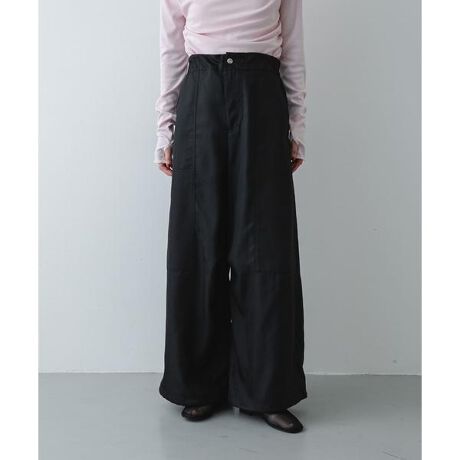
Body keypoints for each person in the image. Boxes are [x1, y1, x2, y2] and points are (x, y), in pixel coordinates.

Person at [154, 0, 307, 434]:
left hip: (262, 94)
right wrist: (164, 129)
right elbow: (171, 49)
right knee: (198, 242)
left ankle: (266, 390)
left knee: (265, 247)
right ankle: (199, 385)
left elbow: (293, 47)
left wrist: (297, 127)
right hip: (200, 92)